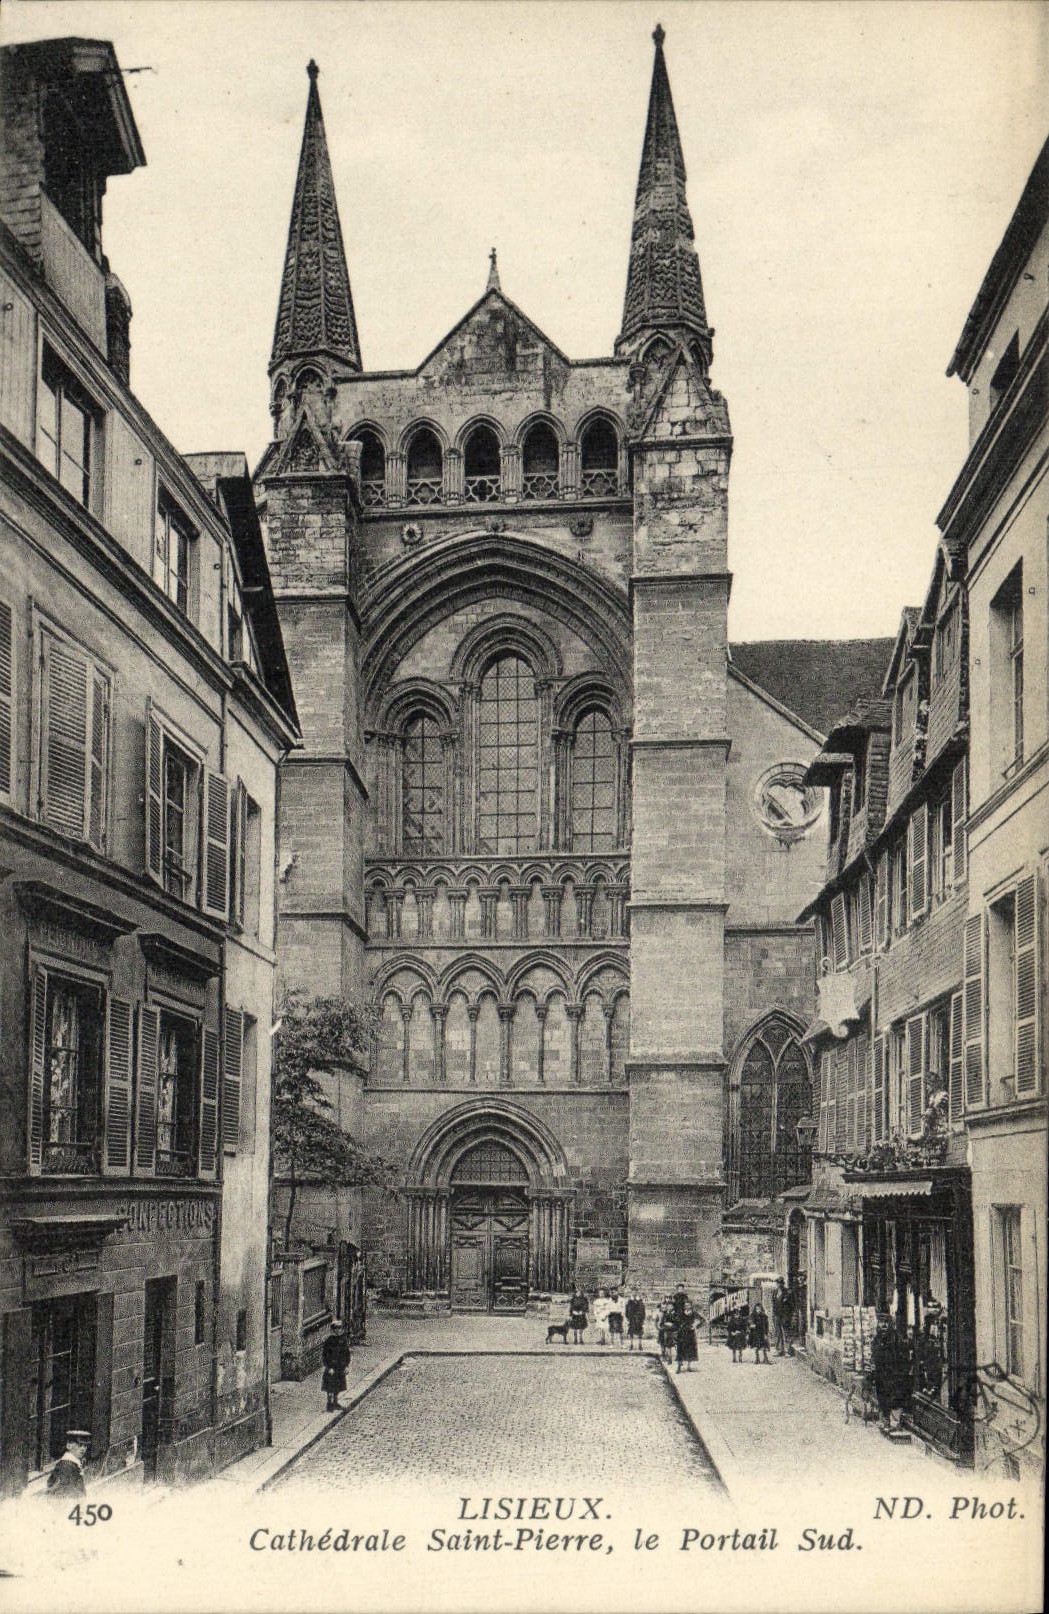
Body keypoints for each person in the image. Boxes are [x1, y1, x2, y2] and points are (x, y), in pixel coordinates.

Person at [871, 1313, 906, 1431]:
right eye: (881, 1322)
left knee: (895, 1397)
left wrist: (900, 1372)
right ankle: (885, 1421)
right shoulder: (876, 1339)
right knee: (882, 1397)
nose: (884, 1325)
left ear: (890, 1324)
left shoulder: (896, 1338)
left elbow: (902, 1356)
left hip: (893, 1373)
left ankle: (895, 1423)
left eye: (886, 1322)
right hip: (881, 1374)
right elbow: (874, 1355)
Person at [46, 1430, 89, 1498]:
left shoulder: (73, 1464)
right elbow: (66, 1493)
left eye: (85, 1446)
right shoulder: (67, 1465)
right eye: (79, 1445)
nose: (83, 1449)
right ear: (68, 1445)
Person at [321, 1318, 351, 1412]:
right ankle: (329, 1404)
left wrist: (346, 1366)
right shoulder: (329, 1341)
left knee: (338, 1386)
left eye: (339, 1328)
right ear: (333, 1329)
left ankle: (335, 1402)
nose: (338, 1330)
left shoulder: (343, 1340)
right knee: (330, 1387)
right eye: (336, 1328)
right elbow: (325, 1355)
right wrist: (329, 1367)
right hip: (332, 1367)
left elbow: (347, 1354)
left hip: (340, 1366)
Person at [772, 1277, 795, 1356]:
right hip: (777, 1315)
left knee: (786, 1333)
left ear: (783, 1284)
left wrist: (789, 1315)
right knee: (778, 1333)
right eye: (777, 1283)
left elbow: (792, 1305)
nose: (779, 1285)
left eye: (780, 1283)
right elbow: (773, 1304)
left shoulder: (788, 1292)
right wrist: (774, 1315)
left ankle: (787, 1351)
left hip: (785, 1315)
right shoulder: (775, 1292)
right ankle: (779, 1350)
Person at [675, 1299, 698, 1373]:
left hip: (690, 1333)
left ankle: (688, 1366)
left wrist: (695, 1326)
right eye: (685, 1305)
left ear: (691, 1305)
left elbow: (703, 1320)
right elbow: (676, 1321)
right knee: (680, 1349)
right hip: (682, 1333)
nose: (687, 1306)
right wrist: (679, 1326)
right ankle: (679, 1366)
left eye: (688, 1305)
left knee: (690, 1349)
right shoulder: (681, 1313)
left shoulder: (694, 1313)